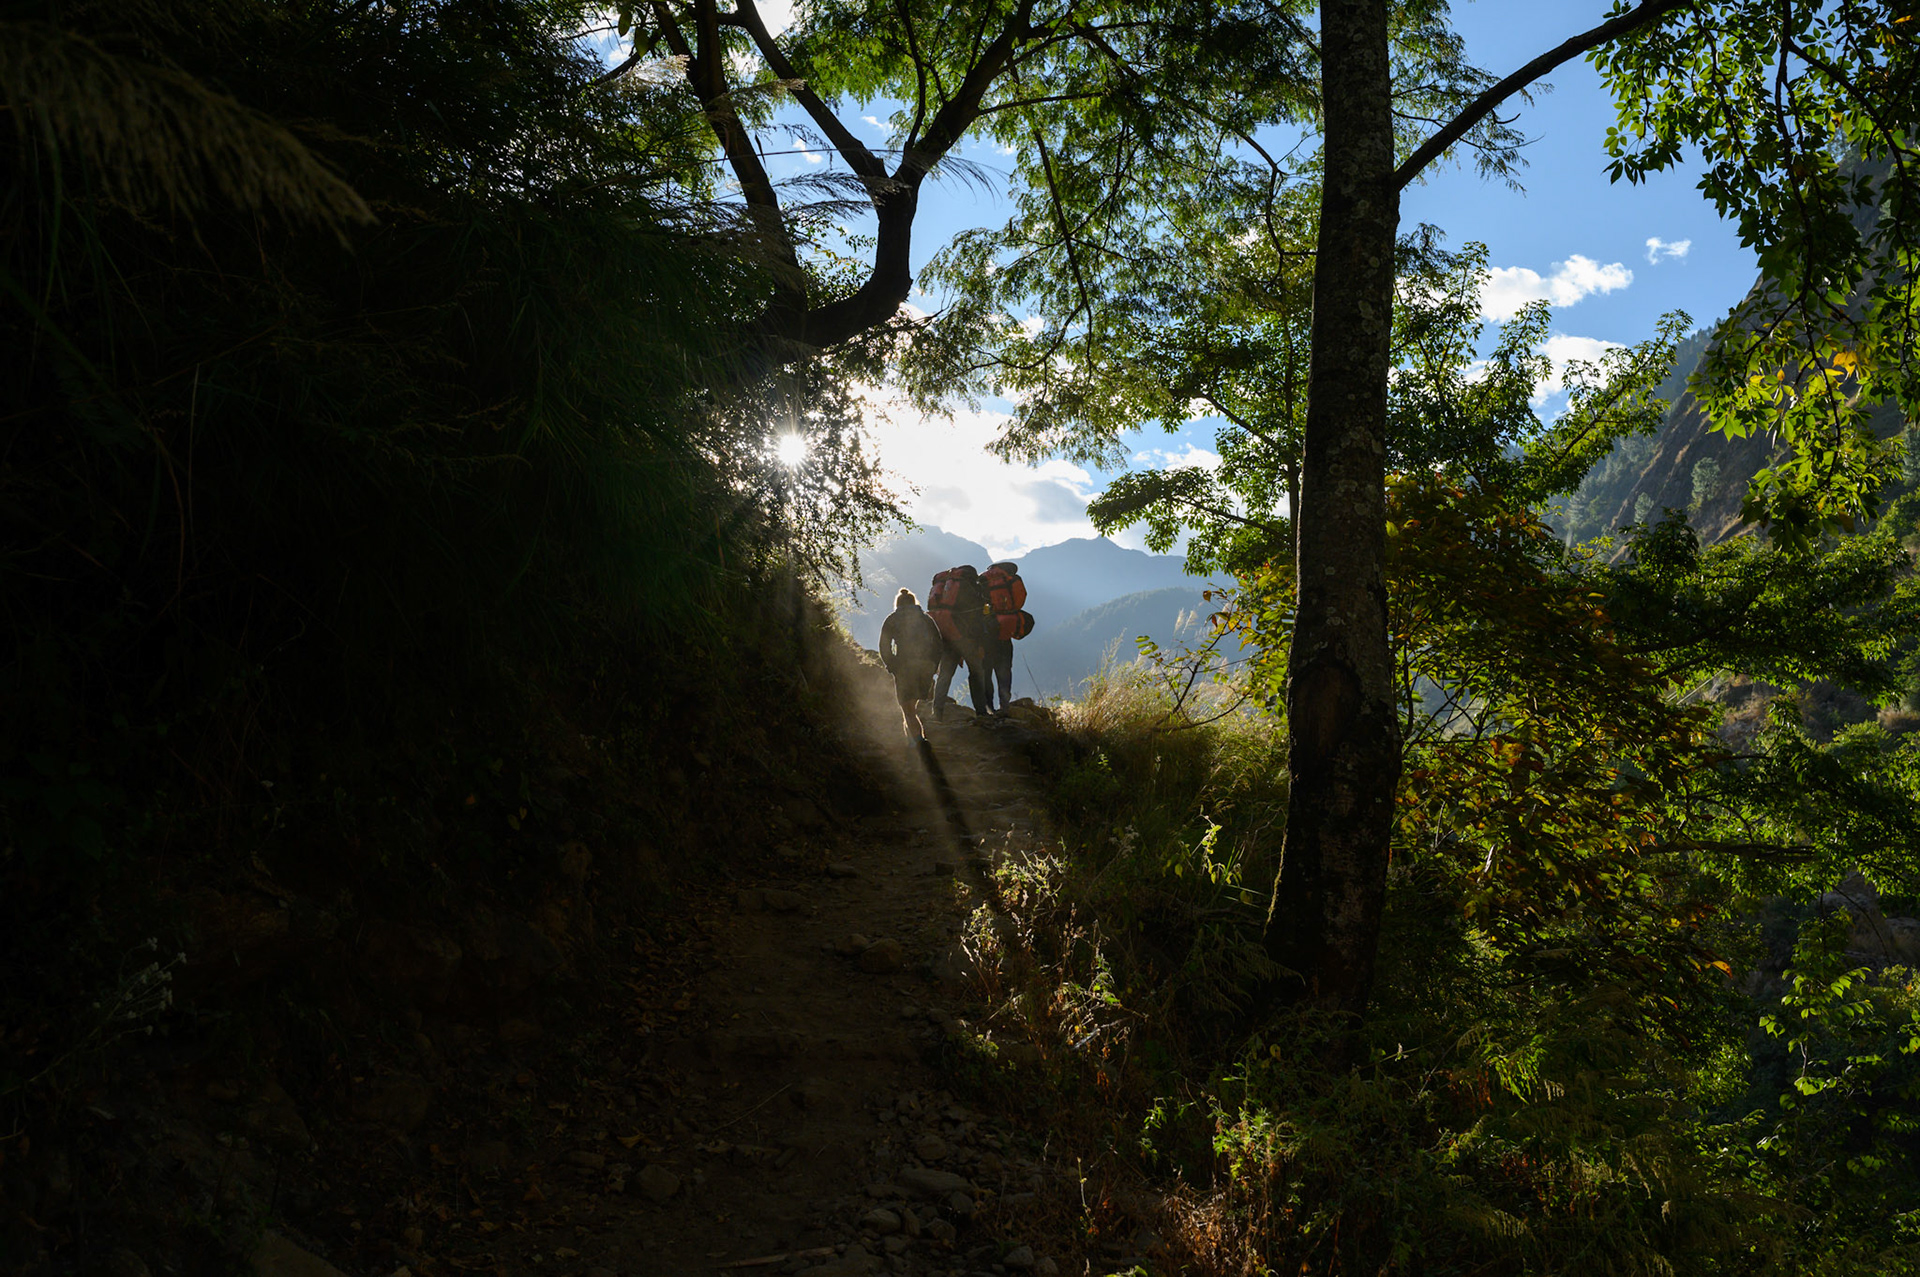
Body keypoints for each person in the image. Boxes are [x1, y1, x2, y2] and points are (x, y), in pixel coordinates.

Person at [878, 588, 943, 741]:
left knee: (907, 708)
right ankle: (915, 740)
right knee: (911, 706)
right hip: (925, 666)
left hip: (904, 667)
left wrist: (892, 665)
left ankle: (918, 742)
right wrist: (934, 665)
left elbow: (884, 646)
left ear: (898, 603)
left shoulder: (892, 619)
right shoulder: (926, 619)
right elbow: (938, 643)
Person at [930, 578, 992, 719]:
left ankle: (937, 712)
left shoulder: (946, 591)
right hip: (967, 642)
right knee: (976, 674)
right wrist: (980, 644)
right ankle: (981, 712)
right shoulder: (973, 591)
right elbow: (978, 622)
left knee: (944, 675)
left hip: (947, 639)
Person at [982, 634, 1014, 713]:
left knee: (986, 677)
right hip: (1004, 643)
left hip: (985, 644)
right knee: (1004, 678)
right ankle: (1004, 707)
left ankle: (989, 709)